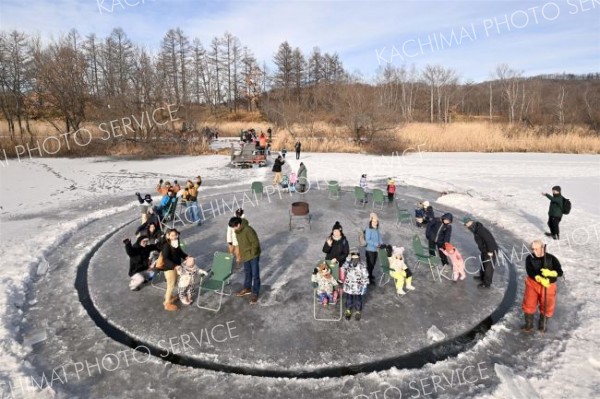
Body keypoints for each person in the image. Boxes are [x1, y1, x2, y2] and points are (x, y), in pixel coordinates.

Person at [521, 240, 563, 333]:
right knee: (529, 303)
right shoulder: (529, 258)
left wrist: (551, 273)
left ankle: (542, 324)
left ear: (542, 248)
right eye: (532, 249)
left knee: (547, 305)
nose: (534, 251)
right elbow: (530, 271)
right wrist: (538, 278)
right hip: (533, 283)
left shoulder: (551, 258)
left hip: (548, 285)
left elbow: (560, 272)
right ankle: (528, 324)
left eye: (536, 249)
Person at [230, 216, 261, 304]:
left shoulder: (248, 230)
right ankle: (247, 288)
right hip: (245, 255)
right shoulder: (237, 231)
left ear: (238, 224)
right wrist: (240, 255)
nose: (233, 229)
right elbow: (240, 244)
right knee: (247, 272)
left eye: (234, 227)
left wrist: (253, 253)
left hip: (253, 255)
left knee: (255, 274)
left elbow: (255, 242)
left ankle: (255, 292)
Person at [160, 228, 192, 311]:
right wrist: (174, 266)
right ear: (168, 236)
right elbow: (165, 259)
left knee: (172, 284)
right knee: (171, 285)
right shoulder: (166, 245)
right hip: (169, 268)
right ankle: (167, 303)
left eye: (175, 235)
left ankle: (169, 297)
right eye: (172, 235)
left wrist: (186, 256)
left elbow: (180, 252)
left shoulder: (175, 243)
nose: (174, 237)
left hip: (175, 267)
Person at [463, 216, 499, 288]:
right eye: (466, 224)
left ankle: (487, 283)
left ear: (471, 221)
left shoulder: (480, 229)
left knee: (488, 267)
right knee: (483, 263)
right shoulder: (475, 229)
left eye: (468, 223)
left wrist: (491, 251)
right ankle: (482, 277)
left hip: (490, 250)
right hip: (485, 250)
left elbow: (489, 240)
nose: (467, 225)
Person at [342, 248, 369, 321]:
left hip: (358, 286)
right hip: (349, 285)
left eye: (357, 257)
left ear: (359, 257)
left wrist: (365, 285)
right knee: (349, 298)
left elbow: (365, 275)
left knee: (358, 299)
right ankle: (348, 309)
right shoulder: (348, 264)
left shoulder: (362, 265)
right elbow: (343, 269)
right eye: (353, 257)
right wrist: (347, 261)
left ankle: (358, 311)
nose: (355, 259)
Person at [364, 213, 383, 284]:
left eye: (376, 221)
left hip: (375, 250)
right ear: (370, 222)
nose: (375, 223)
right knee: (370, 264)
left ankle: (370, 275)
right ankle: (368, 278)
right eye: (374, 221)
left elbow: (379, 238)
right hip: (370, 250)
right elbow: (367, 240)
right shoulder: (368, 229)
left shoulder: (376, 229)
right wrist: (376, 244)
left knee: (373, 263)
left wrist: (381, 244)